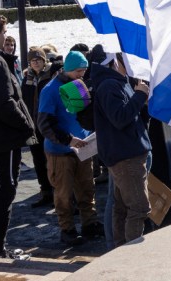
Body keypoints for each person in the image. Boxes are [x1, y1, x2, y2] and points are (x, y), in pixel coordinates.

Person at [0, 13, 36, 260]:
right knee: (3, 191)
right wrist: (26, 126)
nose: (5, 37)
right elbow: (3, 102)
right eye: (3, 32)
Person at [37, 50, 103, 246]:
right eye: (79, 72)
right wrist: (68, 140)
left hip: (83, 148)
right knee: (64, 194)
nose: (82, 75)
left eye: (84, 71)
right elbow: (44, 124)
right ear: (68, 69)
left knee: (87, 189)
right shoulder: (50, 90)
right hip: (60, 151)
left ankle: (89, 224)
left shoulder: (79, 85)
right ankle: (67, 229)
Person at [91, 52, 151, 247]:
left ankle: (119, 251)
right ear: (114, 62)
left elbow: (128, 115)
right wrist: (140, 95)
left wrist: (140, 99)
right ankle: (131, 257)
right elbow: (120, 117)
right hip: (126, 155)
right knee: (139, 208)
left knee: (123, 207)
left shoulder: (115, 81)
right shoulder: (109, 85)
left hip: (126, 153)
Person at [20, 47, 55, 208]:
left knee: (52, 161)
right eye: (33, 60)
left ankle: (58, 193)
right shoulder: (27, 78)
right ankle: (45, 192)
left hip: (48, 124)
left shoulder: (51, 76)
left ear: (44, 60)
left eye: (39, 59)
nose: (36, 62)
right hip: (32, 126)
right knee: (38, 161)